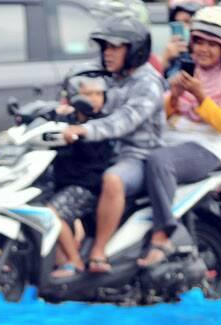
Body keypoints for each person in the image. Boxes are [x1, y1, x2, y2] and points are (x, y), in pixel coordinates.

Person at [139, 6, 221, 266]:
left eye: (212, 44)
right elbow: (160, 115)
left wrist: (200, 96)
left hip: (206, 148)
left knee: (159, 160)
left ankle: (163, 234)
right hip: (172, 141)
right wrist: (175, 96)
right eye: (199, 41)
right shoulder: (186, 72)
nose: (203, 49)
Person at [62, 17, 166, 273]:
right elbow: (82, 87)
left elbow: (122, 122)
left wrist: (84, 129)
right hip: (108, 152)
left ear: (134, 50)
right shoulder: (110, 76)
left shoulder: (148, 84)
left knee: (113, 179)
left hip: (138, 157)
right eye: (105, 47)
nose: (107, 53)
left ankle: (99, 251)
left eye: (115, 47)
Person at [47, 67, 116, 278]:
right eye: (88, 94)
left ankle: (75, 262)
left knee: (52, 214)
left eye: (98, 94)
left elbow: (93, 156)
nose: (94, 99)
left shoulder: (101, 124)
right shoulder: (66, 120)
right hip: (63, 185)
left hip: (88, 187)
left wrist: (77, 135)